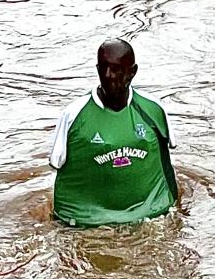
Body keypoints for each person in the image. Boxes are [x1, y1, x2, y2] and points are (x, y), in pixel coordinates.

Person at [49, 39, 178, 227]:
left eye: (116, 69)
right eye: (103, 68)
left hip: (152, 215)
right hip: (87, 223)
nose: (109, 76)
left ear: (132, 72)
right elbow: (55, 162)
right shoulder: (74, 114)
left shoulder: (153, 110)